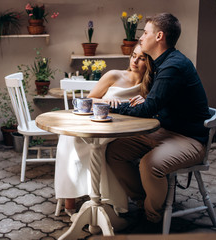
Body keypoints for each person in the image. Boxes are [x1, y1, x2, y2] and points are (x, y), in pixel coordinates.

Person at [106, 13, 211, 232]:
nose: (141, 37)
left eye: (145, 32)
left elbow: (148, 109)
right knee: (114, 151)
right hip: (164, 131)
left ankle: (151, 217)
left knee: (150, 165)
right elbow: (155, 102)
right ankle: (146, 201)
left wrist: (113, 106)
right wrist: (147, 102)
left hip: (189, 139)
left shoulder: (173, 66)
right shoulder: (161, 63)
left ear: (159, 36)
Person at [55, 44, 153, 215]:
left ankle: (106, 201)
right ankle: (69, 200)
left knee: (106, 149)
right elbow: (90, 99)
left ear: (150, 62)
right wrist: (106, 103)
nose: (135, 61)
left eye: (142, 58)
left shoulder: (149, 87)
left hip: (119, 132)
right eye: (133, 55)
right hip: (98, 124)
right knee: (71, 138)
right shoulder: (114, 75)